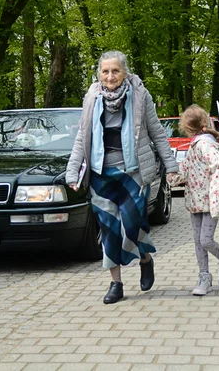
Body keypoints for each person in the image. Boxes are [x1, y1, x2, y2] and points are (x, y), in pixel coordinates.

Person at [66, 51, 180, 304]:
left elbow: (158, 134)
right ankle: (115, 283)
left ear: (125, 72)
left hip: (133, 173)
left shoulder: (140, 95)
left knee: (132, 225)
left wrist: (171, 167)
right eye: (105, 71)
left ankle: (145, 259)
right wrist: (72, 172)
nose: (110, 76)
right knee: (108, 229)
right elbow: (82, 138)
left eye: (115, 71)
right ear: (99, 74)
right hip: (100, 175)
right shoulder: (92, 98)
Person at [174, 104, 219, 296]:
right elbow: (185, 170)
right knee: (198, 241)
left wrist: (216, 195)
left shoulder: (204, 144)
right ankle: (204, 276)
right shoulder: (195, 145)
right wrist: (170, 178)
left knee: (205, 240)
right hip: (195, 202)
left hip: (209, 201)